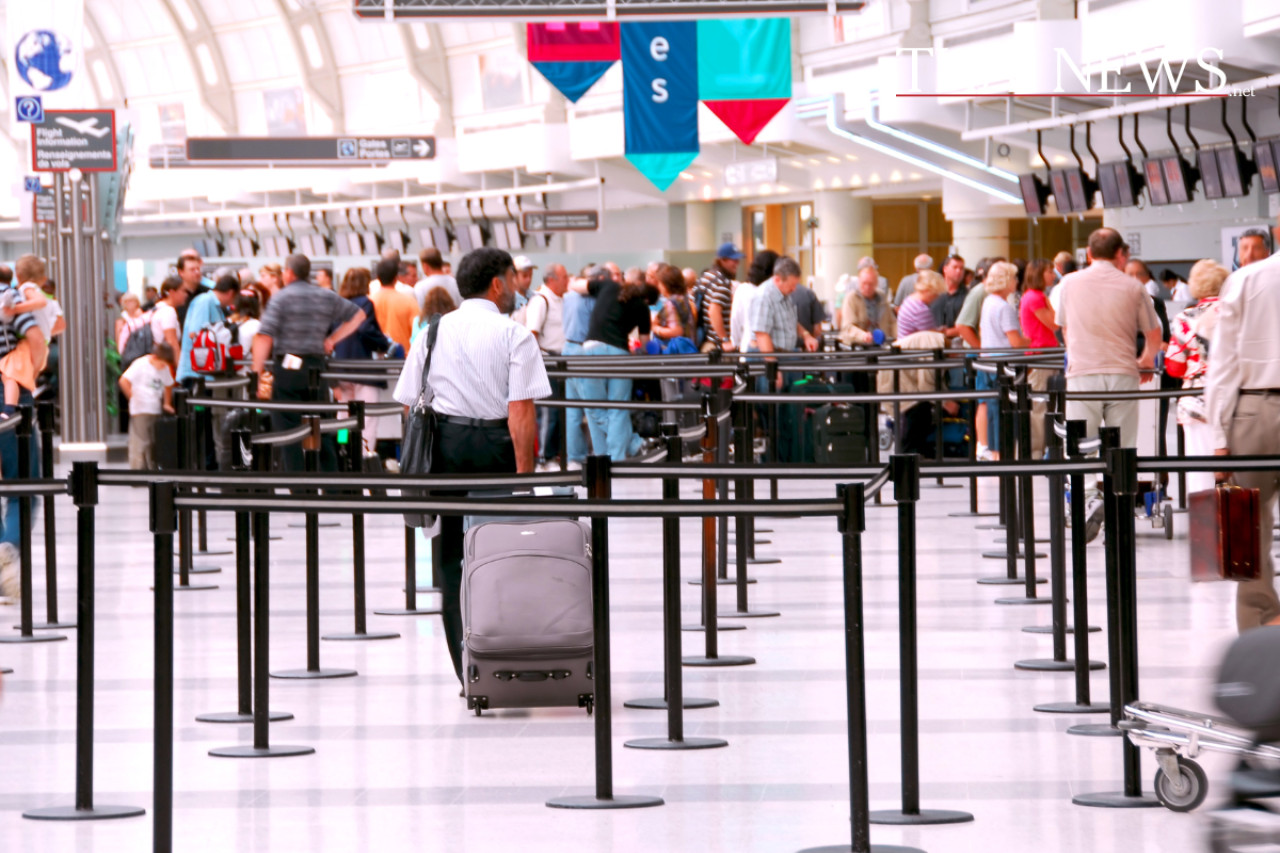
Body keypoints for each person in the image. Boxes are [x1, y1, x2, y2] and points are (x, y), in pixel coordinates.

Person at [393, 247, 551, 682]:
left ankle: (466, 671)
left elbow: (410, 404)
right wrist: (524, 482)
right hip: (494, 446)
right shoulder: (513, 334)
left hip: (443, 448)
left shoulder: (431, 332)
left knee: (449, 561)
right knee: (500, 553)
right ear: (497, 284)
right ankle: (501, 662)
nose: (518, 289)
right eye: (513, 279)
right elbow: (520, 412)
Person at [1059, 228, 1162, 542]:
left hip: (1082, 374)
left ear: (1088, 254)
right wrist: (1144, 361)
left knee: (1080, 446)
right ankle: (1119, 509)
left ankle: (1088, 499)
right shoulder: (1133, 286)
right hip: (1122, 374)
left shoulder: (1068, 283)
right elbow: (1154, 335)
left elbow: (1064, 330)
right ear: (1123, 254)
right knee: (1122, 447)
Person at [1205, 224, 1280, 630]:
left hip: (1255, 412)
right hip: (1254, 403)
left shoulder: (1247, 280)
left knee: (1253, 530)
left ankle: (1261, 630)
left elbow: (1223, 365)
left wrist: (1218, 440)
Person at [251, 254, 366, 473]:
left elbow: (264, 336)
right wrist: (332, 339)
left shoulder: (281, 298)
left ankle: (300, 487)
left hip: (288, 367)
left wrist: (255, 375)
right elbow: (358, 316)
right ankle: (332, 485)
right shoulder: (325, 295)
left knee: (287, 427)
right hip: (316, 367)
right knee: (321, 424)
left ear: (289, 273)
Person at [573, 267, 656, 460]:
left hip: (592, 349)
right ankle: (620, 455)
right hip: (620, 353)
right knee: (618, 409)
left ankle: (608, 455)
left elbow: (577, 285)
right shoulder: (643, 308)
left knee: (595, 407)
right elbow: (644, 345)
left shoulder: (609, 286)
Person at [1165, 259, 1227, 497]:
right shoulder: (1237, 313)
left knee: (1201, 478)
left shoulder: (1184, 318)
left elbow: (1174, 367)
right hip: (1235, 401)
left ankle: (1206, 529)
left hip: (1196, 403)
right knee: (1238, 473)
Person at [0, 282, 44, 598]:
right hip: (9, 393)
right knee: (22, 486)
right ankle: (9, 545)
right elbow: (36, 336)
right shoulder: (8, 294)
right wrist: (35, 368)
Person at [333, 267, 392, 459]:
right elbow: (366, 328)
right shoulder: (364, 303)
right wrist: (383, 343)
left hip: (341, 369)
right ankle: (364, 458)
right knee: (367, 419)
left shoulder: (337, 305)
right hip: (363, 370)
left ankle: (342, 449)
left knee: (343, 416)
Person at [976, 262, 1028, 461]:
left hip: (987, 361)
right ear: (1006, 280)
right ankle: (1002, 453)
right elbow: (1015, 341)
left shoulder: (988, 302)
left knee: (990, 407)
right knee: (1003, 410)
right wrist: (1029, 342)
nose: (1016, 282)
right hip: (1003, 365)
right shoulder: (1004, 307)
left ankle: (991, 450)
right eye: (1014, 278)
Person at [0, 256, 59, 409]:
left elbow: (40, 305)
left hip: (25, 349)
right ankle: (10, 409)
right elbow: (53, 328)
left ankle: (9, 409)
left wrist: (14, 309)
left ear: (18, 275)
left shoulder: (21, 292)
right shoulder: (15, 294)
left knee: (9, 376)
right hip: (36, 347)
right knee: (11, 377)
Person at [526, 263, 569, 467]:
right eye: (564, 278)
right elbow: (532, 333)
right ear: (551, 280)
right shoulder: (540, 300)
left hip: (561, 361)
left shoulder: (560, 300)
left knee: (560, 411)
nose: (567, 281)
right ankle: (544, 454)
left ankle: (555, 451)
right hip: (547, 361)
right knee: (548, 412)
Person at [1020, 259, 1059, 457]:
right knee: (1040, 406)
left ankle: (1042, 449)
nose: (1053, 275)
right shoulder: (1035, 297)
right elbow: (1054, 323)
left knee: (1043, 404)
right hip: (1041, 356)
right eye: (1049, 272)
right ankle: (1036, 451)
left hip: (1044, 355)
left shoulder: (1036, 296)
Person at [120, 342, 176, 470]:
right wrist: (133, 396)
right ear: (155, 357)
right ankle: (137, 471)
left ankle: (151, 470)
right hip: (141, 409)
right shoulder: (140, 364)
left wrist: (166, 403)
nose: (163, 368)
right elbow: (124, 380)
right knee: (140, 442)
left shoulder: (165, 368)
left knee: (152, 442)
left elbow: (168, 384)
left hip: (155, 409)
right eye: (161, 365)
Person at [561, 270, 597, 468]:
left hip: (568, 349)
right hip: (584, 351)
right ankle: (600, 452)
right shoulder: (590, 299)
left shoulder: (567, 296)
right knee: (592, 405)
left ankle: (575, 454)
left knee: (572, 408)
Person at [697, 244, 741, 352]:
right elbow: (714, 311)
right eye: (733, 260)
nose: (737, 263)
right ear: (722, 260)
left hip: (705, 340)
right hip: (717, 346)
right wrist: (724, 339)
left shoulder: (707, 277)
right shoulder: (722, 283)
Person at [731, 250, 777, 352]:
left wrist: (735, 342)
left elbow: (735, 320)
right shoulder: (773, 292)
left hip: (747, 347)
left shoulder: (743, 289)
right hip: (772, 348)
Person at [369, 256, 418, 352]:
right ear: (396, 278)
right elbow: (418, 331)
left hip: (376, 357)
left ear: (378, 277)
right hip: (403, 356)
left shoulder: (370, 301)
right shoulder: (409, 301)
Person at [839, 265, 897, 344]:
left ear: (876, 283)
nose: (867, 287)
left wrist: (900, 335)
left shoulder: (882, 297)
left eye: (871, 284)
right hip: (857, 346)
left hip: (880, 344)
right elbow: (848, 327)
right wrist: (863, 335)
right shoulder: (851, 298)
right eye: (864, 283)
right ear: (859, 281)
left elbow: (892, 322)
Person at [651, 263, 697, 345]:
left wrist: (655, 328)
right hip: (688, 348)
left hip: (675, 352)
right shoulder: (684, 299)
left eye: (660, 283)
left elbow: (677, 331)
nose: (659, 287)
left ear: (666, 285)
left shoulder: (670, 303)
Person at [150, 278, 187, 371]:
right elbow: (172, 341)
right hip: (164, 362)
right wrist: (180, 368)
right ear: (172, 292)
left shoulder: (157, 307)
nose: (185, 295)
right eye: (183, 291)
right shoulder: (168, 311)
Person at [896, 270, 945, 338]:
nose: (936, 298)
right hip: (914, 347)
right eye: (935, 294)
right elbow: (932, 337)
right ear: (928, 291)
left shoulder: (909, 300)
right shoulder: (920, 309)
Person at [930, 254, 968, 341]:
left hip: (958, 345)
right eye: (955, 267)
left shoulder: (967, 296)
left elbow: (968, 325)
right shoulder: (933, 293)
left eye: (961, 268)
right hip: (933, 343)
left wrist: (946, 332)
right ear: (945, 269)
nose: (958, 271)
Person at [230, 289, 261, 371]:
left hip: (228, 368)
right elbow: (258, 353)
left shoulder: (229, 320)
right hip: (245, 373)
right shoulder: (256, 325)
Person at [174, 252, 208, 327]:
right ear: (181, 272)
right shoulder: (174, 295)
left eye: (198, 269)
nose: (197, 272)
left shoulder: (208, 293)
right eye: (192, 270)